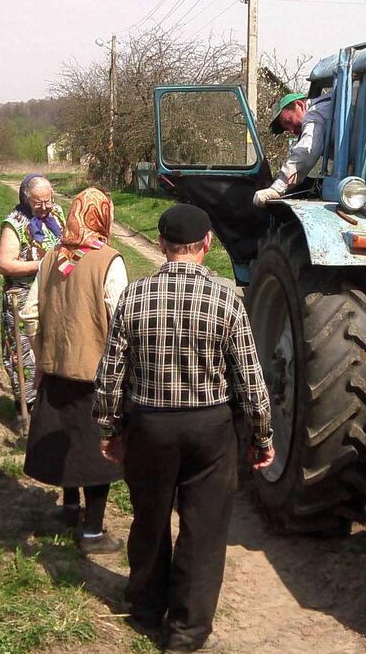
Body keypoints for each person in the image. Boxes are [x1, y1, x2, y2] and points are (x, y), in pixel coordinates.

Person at [94, 203, 275, 653]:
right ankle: (188, 631)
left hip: (150, 426)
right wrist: (261, 436)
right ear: (207, 245)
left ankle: (146, 609)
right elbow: (250, 378)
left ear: (161, 244)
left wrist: (110, 428)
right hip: (210, 429)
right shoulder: (226, 298)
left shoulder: (134, 296)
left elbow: (111, 372)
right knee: (205, 529)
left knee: (150, 519)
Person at [20, 187, 128, 553]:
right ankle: (93, 532)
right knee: (96, 453)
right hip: (94, 373)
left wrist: (42, 356)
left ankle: (69, 509)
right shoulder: (109, 260)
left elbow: (30, 313)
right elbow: (121, 319)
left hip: (54, 369)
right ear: (103, 218)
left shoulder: (52, 256)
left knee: (66, 440)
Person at [0, 174, 66, 415]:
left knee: (55, 346)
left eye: (48, 200)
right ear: (26, 200)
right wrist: (42, 265)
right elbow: (5, 264)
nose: (45, 207)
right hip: (24, 297)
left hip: (54, 293)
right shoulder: (14, 223)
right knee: (26, 352)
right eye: (39, 203)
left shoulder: (57, 212)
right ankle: (27, 407)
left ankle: (52, 402)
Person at [252, 90, 334, 207]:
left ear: (299, 105)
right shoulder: (330, 105)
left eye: (289, 121)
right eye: (287, 129)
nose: (291, 131)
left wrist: (277, 188)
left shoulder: (315, 113)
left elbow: (306, 151)